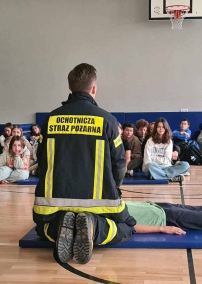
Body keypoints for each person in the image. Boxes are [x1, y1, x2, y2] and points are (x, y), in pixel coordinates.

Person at [33, 63, 136, 265]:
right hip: (101, 202)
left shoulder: (51, 119)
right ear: (94, 89)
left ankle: (64, 225)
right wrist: (113, 188)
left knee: (41, 229)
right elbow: (120, 164)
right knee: (128, 226)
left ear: (69, 88)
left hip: (53, 204)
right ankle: (94, 227)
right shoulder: (107, 120)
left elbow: (42, 160)